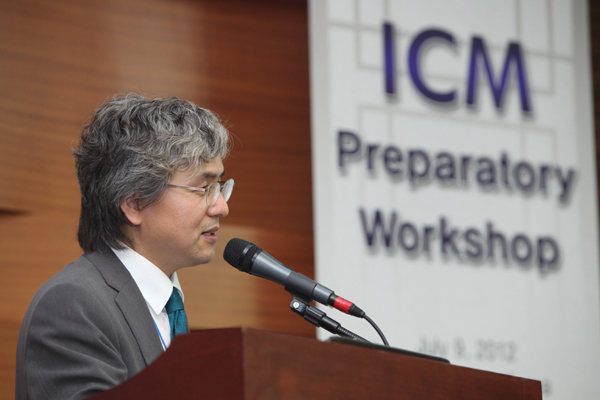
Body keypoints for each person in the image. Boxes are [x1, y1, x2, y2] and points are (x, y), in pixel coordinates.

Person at [15, 93, 233, 400]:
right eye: (204, 188)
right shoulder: (73, 305)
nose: (221, 207)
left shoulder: (167, 306)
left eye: (220, 187)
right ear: (134, 203)